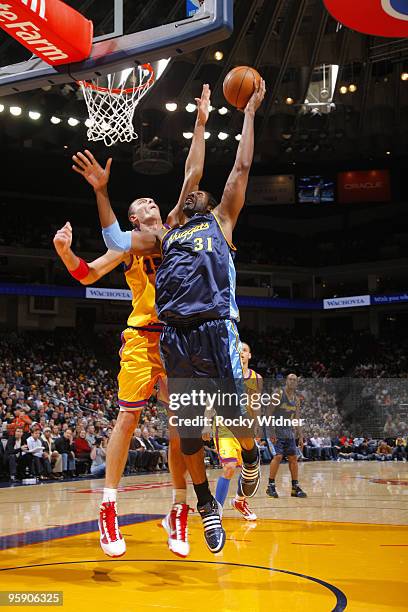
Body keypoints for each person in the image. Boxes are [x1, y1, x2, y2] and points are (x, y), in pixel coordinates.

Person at [97, 81, 266, 553]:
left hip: (216, 328)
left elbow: (239, 166)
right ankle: (206, 507)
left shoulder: (222, 221)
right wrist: (102, 192)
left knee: (234, 417)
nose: (190, 194)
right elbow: (114, 240)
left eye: (196, 193)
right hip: (175, 337)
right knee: (188, 432)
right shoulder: (163, 236)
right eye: (185, 195)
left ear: (205, 202)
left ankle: (250, 452)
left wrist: (244, 114)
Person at [56, 86, 211, 558]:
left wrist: (201, 123)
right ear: (133, 218)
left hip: (183, 340)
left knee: (183, 427)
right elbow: (87, 273)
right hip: (144, 340)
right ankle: (108, 507)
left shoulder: (177, 227)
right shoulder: (128, 246)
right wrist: (66, 253)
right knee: (127, 417)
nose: (149, 201)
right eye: (141, 202)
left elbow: (193, 173)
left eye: (151, 201)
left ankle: (178, 511)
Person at [214, 342, 262, 521]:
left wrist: (257, 424)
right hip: (224, 425)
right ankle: (216, 511)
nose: (242, 352)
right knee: (229, 466)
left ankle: (239, 501)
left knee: (249, 470)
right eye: (238, 350)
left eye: (245, 350)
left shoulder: (256, 377)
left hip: (245, 428)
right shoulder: (225, 374)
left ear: (249, 355)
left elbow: (256, 403)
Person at [266, 374, 307, 499]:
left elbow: (297, 418)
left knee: (293, 458)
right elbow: (268, 413)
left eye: (295, 379)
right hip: (276, 429)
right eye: (290, 379)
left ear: (296, 383)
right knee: (278, 456)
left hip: (288, 431)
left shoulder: (296, 399)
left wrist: (300, 436)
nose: (292, 381)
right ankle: (270, 486)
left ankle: (295, 488)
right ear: (286, 381)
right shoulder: (278, 394)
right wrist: (271, 431)